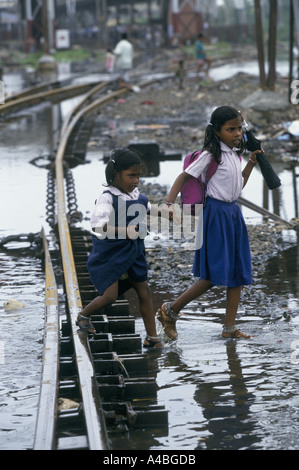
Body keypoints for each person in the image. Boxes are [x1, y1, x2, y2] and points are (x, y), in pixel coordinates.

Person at [157, 106, 263, 340]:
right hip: (216, 215)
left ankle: (229, 329)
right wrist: (168, 203)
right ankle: (171, 310)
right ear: (216, 131)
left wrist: (251, 163)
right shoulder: (210, 155)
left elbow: (237, 187)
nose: (236, 134)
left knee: (237, 272)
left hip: (233, 214)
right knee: (214, 275)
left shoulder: (235, 155)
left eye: (239, 128)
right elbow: (184, 176)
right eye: (230, 129)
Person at [76, 147, 169, 349]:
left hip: (134, 252)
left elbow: (150, 208)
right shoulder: (107, 197)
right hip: (111, 254)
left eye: (138, 176)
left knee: (144, 291)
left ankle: (152, 338)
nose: (135, 180)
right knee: (110, 296)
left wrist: (167, 213)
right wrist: (124, 230)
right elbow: (96, 225)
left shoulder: (136, 196)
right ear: (115, 174)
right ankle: (83, 315)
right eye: (131, 175)